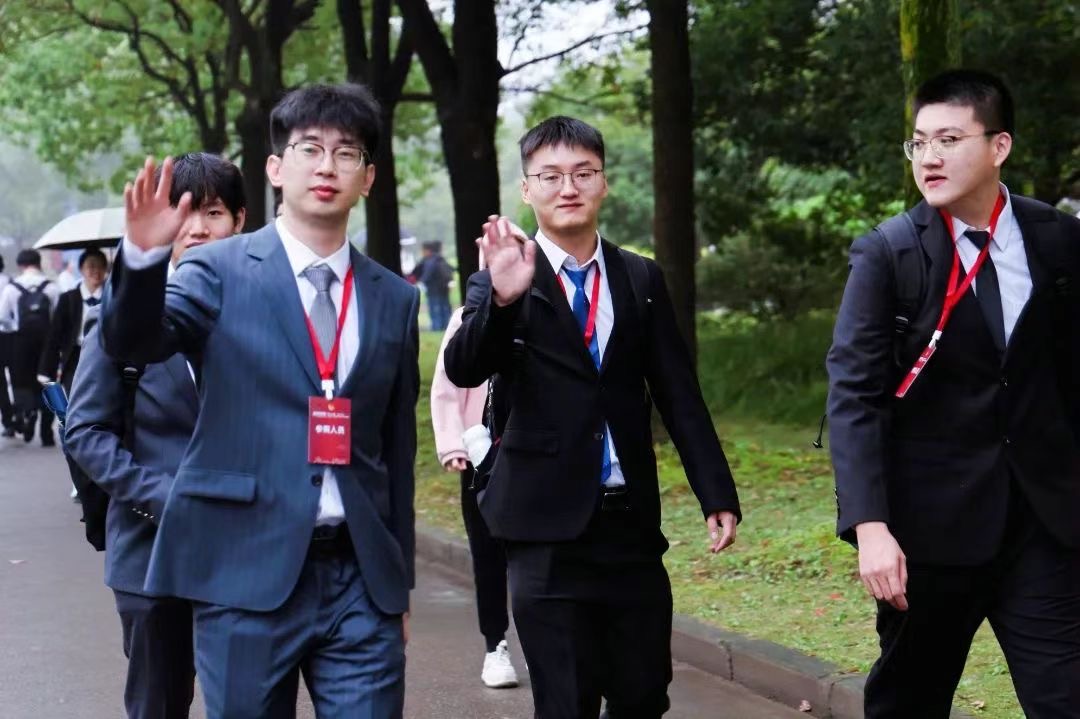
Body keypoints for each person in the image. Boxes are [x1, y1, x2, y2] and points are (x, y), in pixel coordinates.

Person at [100, 83, 419, 719]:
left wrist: (399, 580)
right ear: (275, 168)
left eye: (346, 153)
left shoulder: (394, 297)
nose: (327, 166)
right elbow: (135, 340)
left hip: (360, 581)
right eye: (309, 149)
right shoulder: (216, 270)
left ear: (368, 178)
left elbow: (395, 450)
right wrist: (140, 258)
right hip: (242, 574)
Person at [444, 116, 741, 718]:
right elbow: (465, 366)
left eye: (583, 173)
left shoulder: (639, 276)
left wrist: (716, 492)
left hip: (629, 526)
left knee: (643, 695)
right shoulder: (501, 278)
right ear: (527, 189)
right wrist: (501, 300)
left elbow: (678, 393)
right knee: (566, 702)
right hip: (543, 530)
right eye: (550, 176)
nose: (568, 188)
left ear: (604, 183)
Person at [827, 69, 1080, 718]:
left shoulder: (1056, 238)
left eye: (948, 139)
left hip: (1042, 525)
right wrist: (871, 526)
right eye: (918, 142)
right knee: (909, 701)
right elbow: (854, 396)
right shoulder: (888, 253)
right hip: (928, 534)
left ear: (999, 146)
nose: (929, 157)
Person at [65, 152, 246, 719]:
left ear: (239, 220)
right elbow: (85, 430)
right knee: (159, 705)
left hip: (246, 554)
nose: (197, 229)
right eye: (183, 212)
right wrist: (164, 498)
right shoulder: (121, 318)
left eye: (213, 213)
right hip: (151, 553)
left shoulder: (263, 312)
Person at [430, 245, 524, 690]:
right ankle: (495, 644)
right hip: (479, 452)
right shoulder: (465, 317)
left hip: (532, 453)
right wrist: (453, 445)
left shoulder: (541, 312)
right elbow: (446, 387)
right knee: (487, 553)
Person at [0, 248, 61, 445]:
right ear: (39, 263)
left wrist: (16, 326)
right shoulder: (52, 287)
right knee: (47, 382)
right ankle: (46, 433)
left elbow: (2, 317)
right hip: (47, 343)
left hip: (20, 342)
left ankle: (28, 412)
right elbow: (58, 318)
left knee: (22, 383)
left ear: (20, 265)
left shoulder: (12, 288)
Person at [37, 247, 109, 394]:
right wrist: (45, 369)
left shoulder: (111, 297)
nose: (96, 271)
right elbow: (54, 335)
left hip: (104, 356)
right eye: (91, 266)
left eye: (101, 266)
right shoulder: (68, 299)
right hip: (75, 357)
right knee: (75, 397)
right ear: (81, 269)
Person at [411, 241, 453, 331]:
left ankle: (437, 327)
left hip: (433, 289)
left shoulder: (430, 261)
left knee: (435, 309)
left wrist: (421, 282)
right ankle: (446, 327)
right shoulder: (440, 259)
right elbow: (451, 269)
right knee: (444, 307)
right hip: (443, 289)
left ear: (427, 250)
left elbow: (427, 273)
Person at [0, 254, 17, 436]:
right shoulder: (11, 282)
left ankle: (8, 422)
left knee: (1, 384)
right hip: (12, 336)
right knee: (17, 377)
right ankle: (21, 416)